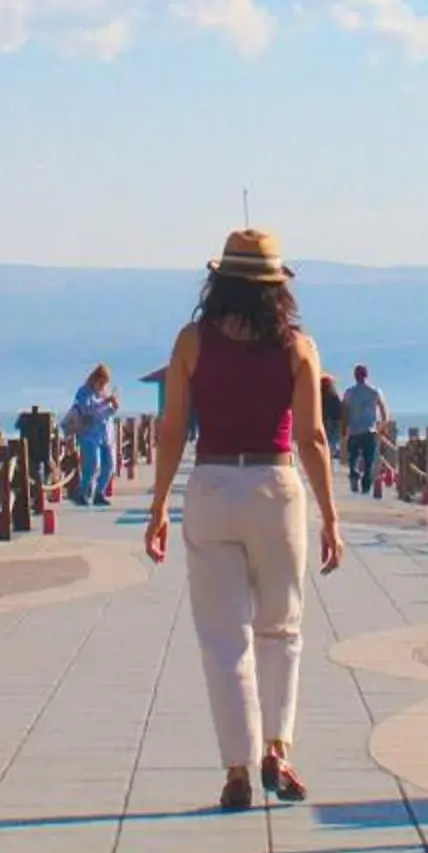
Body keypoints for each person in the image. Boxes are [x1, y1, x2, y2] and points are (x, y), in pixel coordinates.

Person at [145, 228, 344, 809]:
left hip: (210, 485)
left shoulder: (191, 342)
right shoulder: (299, 347)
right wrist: (331, 515)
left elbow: (174, 429)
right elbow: (310, 437)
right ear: (278, 287)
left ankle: (236, 768)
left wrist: (158, 505)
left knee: (222, 638)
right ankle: (277, 750)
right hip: (274, 486)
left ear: (219, 281)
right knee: (281, 627)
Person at [65, 364, 120, 506]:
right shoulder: (84, 392)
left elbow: (109, 412)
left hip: (105, 433)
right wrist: (105, 402)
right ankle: (82, 492)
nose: (102, 385)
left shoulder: (104, 392)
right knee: (92, 465)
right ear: (95, 378)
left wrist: (114, 405)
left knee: (109, 465)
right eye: (101, 382)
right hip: (89, 433)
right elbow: (86, 410)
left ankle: (99, 493)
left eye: (105, 383)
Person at [341, 363, 390, 498]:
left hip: (354, 431)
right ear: (367, 376)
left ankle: (354, 476)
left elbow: (344, 411)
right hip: (369, 431)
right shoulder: (375, 391)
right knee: (369, 461)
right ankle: (366, 486)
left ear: (355, 376)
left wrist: (345, 428)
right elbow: (384, 412)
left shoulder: (349, 393)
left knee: (354, 457)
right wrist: (382, 427)